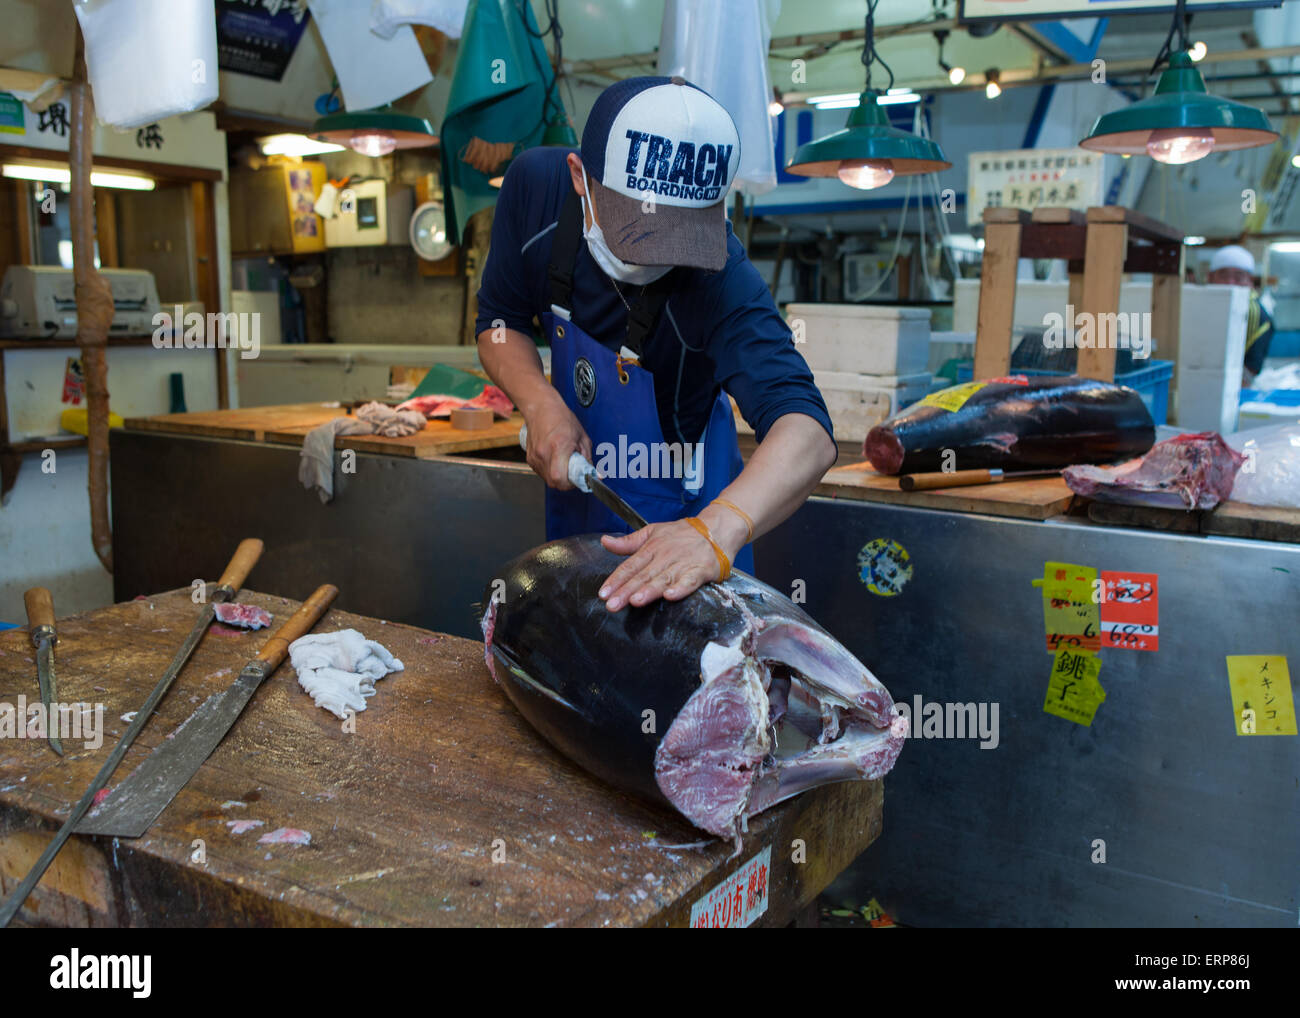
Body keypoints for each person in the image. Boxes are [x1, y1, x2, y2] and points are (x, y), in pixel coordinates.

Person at [475, 76, 836, 612]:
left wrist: (715, 531)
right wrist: (540, 401)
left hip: (687, 513)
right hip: (579, 490)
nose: (658, 256)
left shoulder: (721, 274)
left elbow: (806, 430)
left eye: (680, 234)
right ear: (580, 176)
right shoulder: (534, 190)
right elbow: (499, 320)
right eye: (640, 230)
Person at [1207, 245, 1274, 386]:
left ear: (1249, 281)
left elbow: (1250, 370)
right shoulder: (1199, 304)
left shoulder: (1257, 315)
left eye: (1238, 277)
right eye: (1224, 276)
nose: (1230, 283)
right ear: (1210, 277)